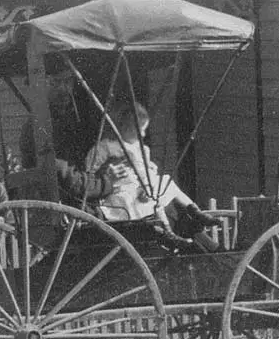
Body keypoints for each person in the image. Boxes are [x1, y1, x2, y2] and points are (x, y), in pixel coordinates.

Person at [81, 101, 208, 237]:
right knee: (149, 201)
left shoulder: (141, 148)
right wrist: (107, 175)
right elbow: (88, 174)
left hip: (142, 190)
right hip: (119, 193)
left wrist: (149, 171)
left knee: (165, 184)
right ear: (124, 128)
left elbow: (144, 173)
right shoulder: (105, 148)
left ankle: (195, 211)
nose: (143, 135)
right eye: (140, 130)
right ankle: (168, 233)